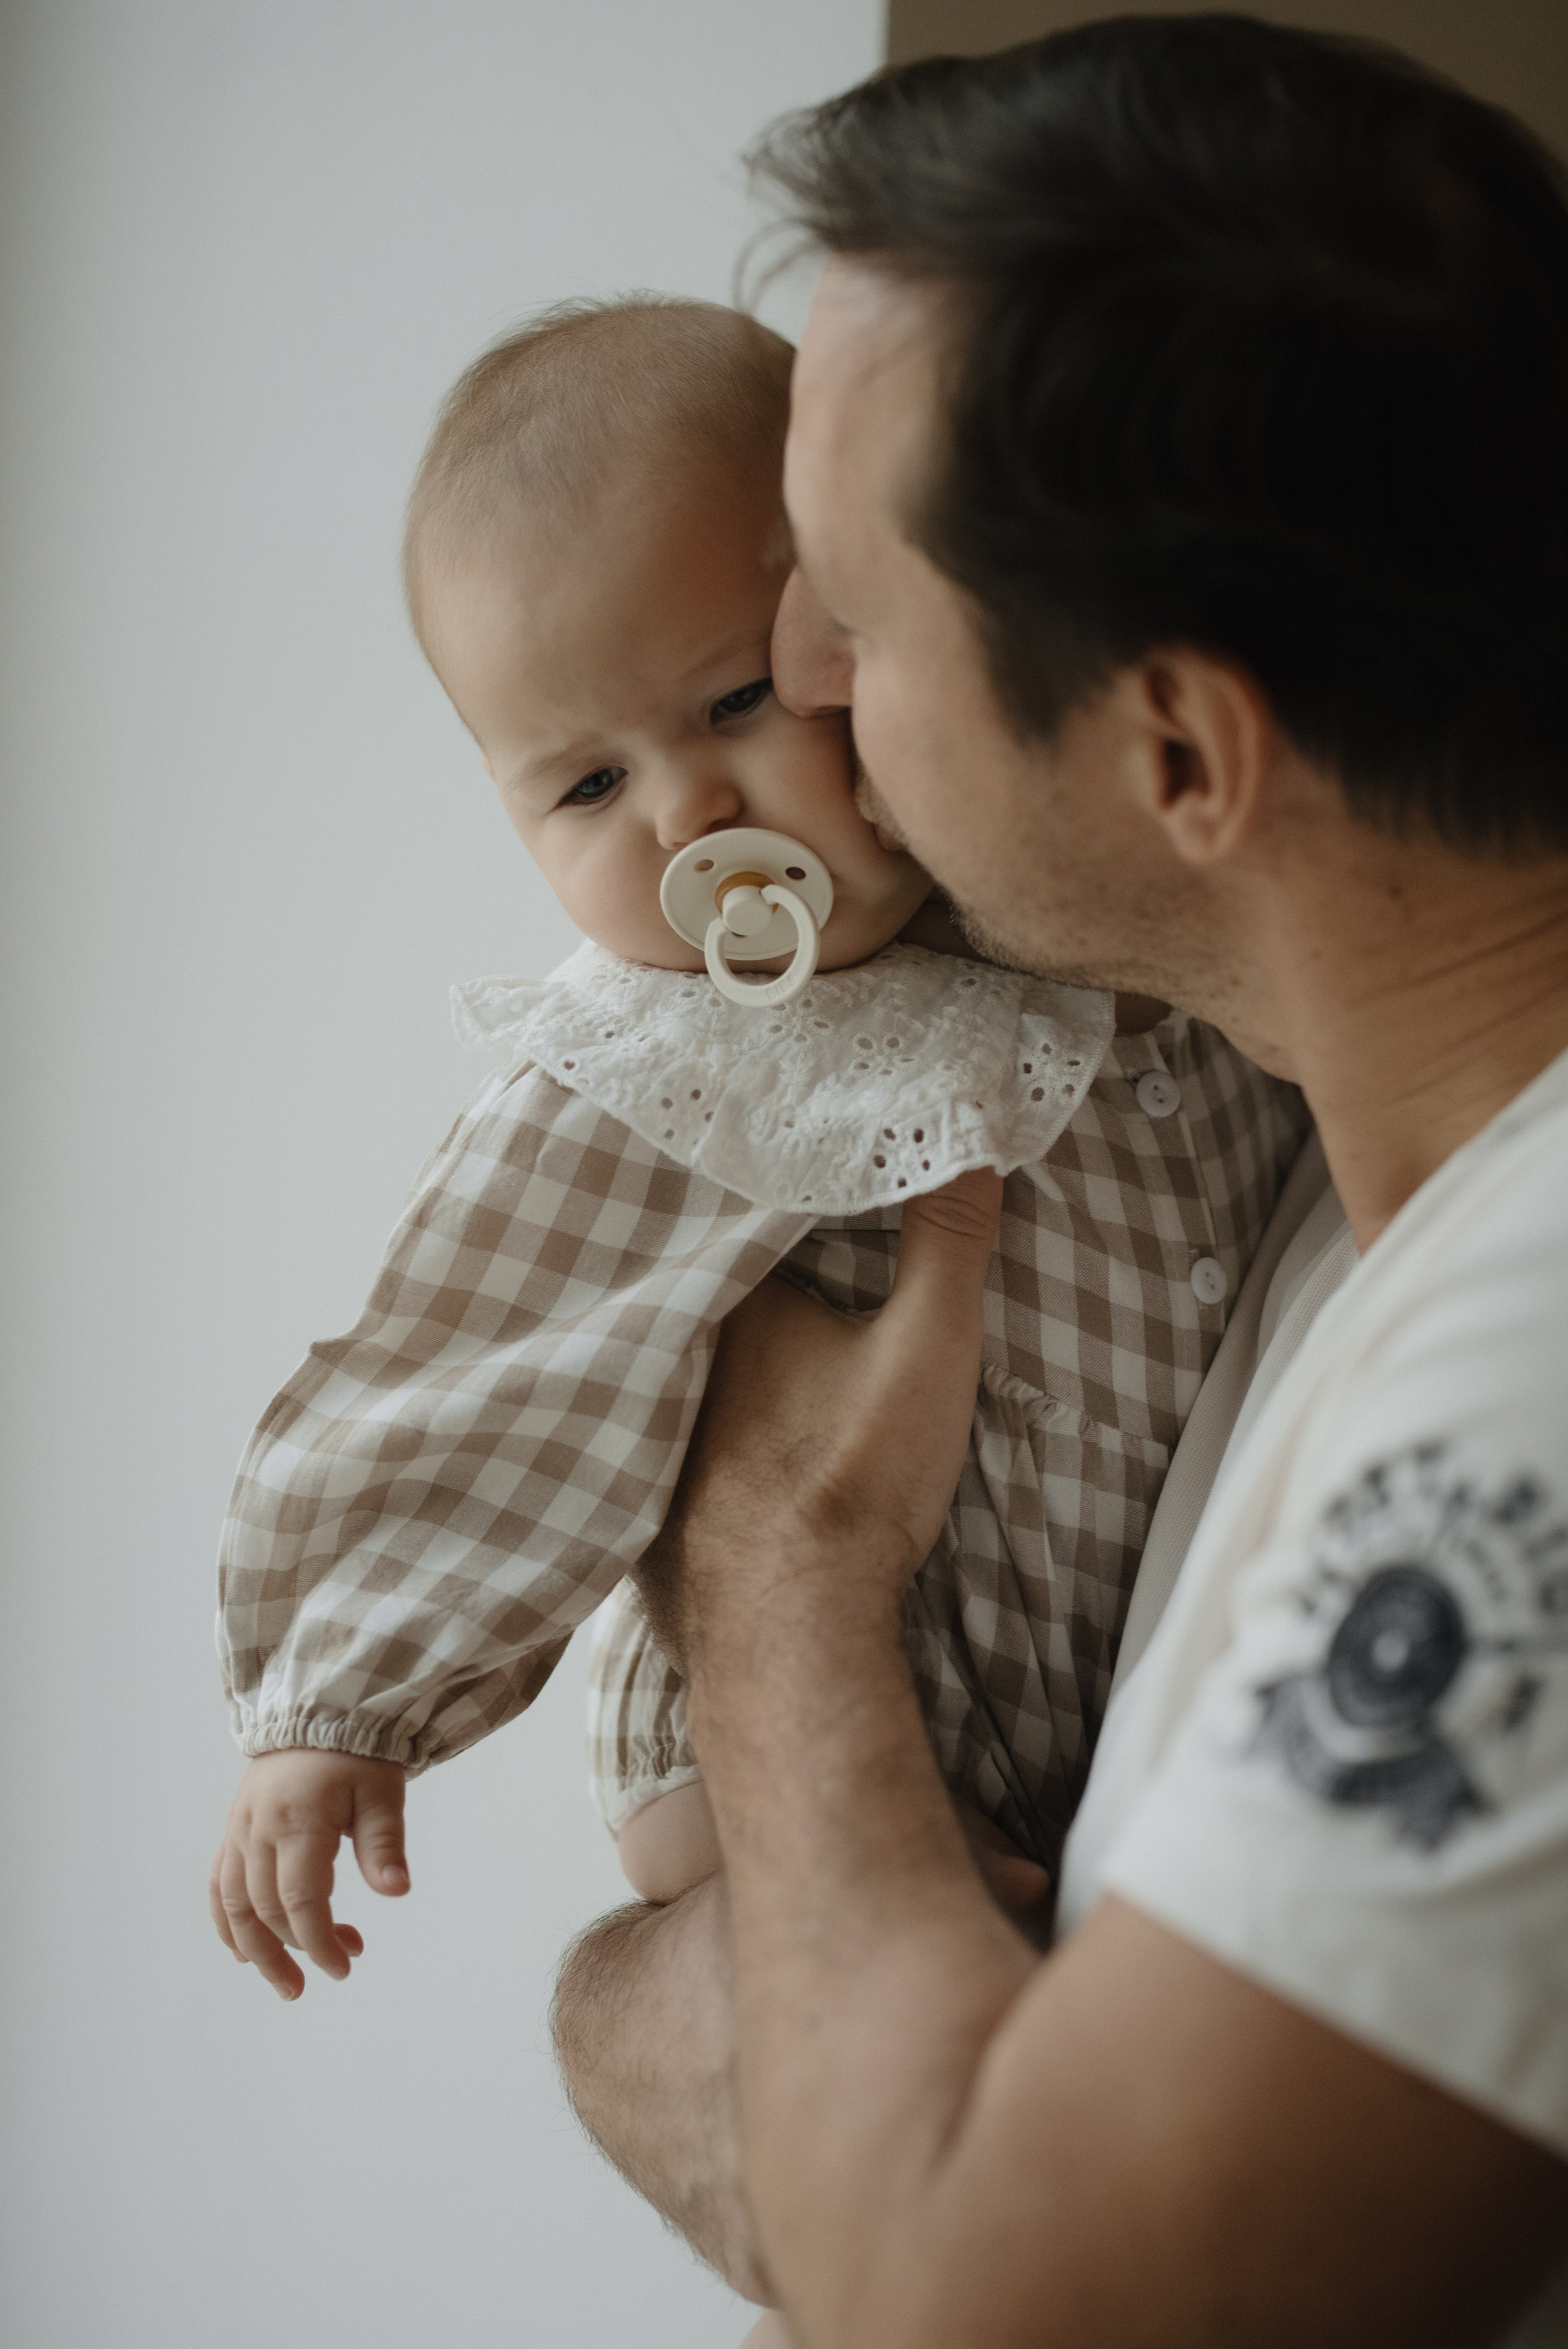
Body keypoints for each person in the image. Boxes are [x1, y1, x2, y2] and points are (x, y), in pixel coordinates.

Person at [547, 19, 1568, 2347]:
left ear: (1182, 747)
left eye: (854, 610)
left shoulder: (1548, 1341)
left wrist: (784, 1567)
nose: (796, 670)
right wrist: (662, 1979)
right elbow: (710, 2043)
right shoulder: (1315, 1215)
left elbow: (994, 2303)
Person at [208, 295, 1305, 1991]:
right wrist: (334, 1708)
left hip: (1099, 1676)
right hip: (777, 1738)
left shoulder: (1059, 890)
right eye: (583, 789)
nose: (683, 814)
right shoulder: (661, 1054)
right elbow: (478, 1356)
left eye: (732, 698)